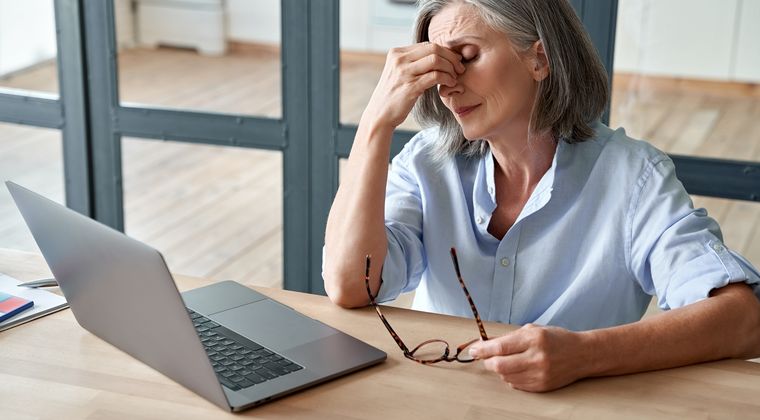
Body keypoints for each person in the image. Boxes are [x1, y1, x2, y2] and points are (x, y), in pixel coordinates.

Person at [322, 0, 760, 392]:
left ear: (540, 58)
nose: (446, 85)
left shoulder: (632, 178)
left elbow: (744, 317)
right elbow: (350, 286)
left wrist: (585, 354)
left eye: (467, 58)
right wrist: (375, 122)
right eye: (438, 67)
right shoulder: (426, 162)